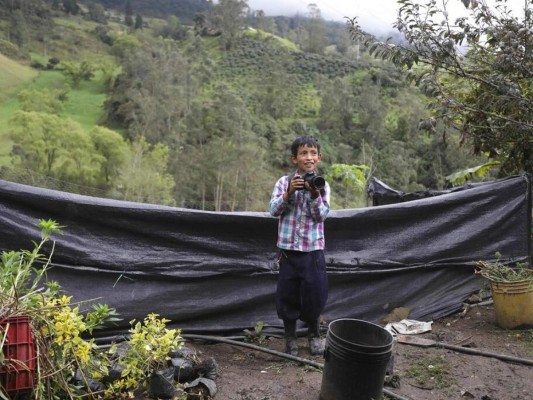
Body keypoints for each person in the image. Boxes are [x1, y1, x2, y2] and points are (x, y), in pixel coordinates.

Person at [269, 135, 331, 356]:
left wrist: (315, 195)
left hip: (313, 250)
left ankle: (314, 334)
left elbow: (322, 216)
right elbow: (273, 210)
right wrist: (289, 193)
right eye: (304, 153)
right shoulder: (283, 182)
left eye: (313, 153)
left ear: (319, 158)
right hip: (288, 251)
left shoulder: (322, 185)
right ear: (294, 158)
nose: (309, 157)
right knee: (288, 295)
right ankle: (290, 337)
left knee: (315, 293)